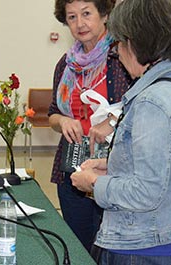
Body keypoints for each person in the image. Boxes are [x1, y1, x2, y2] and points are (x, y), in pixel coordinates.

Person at [70, 0, 171, 263]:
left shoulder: (153, 101)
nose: (118, 53)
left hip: (147, 245)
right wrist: (112, 165)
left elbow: (144, 193)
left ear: (136, 42)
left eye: (118, 44)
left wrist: (92, 182)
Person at [49, 0, 131, 252]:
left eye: (86, 14)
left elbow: (139, 107)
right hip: (72, 166)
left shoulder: (122, 56)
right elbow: (52, 113)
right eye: (71, 17)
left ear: (105, 15)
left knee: (110, 247)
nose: (79, 23)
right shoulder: (66, 63)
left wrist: (112, 121)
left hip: (113, 170)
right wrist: (63, 120)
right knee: (78, 245)